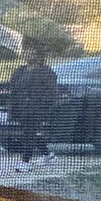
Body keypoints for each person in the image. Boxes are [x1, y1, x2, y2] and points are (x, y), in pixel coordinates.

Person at [7, 39, 60, 171]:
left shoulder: (47, 73)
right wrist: (12, 108)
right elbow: (13, 89)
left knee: (29, 134)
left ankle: (25, 161)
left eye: (31, 52)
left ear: (39, 55)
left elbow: (51, 94)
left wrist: (42, 107)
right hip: (21, 109)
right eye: (26, 52)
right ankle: (48, 155)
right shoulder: (20, 71)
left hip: (36, 110)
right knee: (30, 133)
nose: (27, 54)